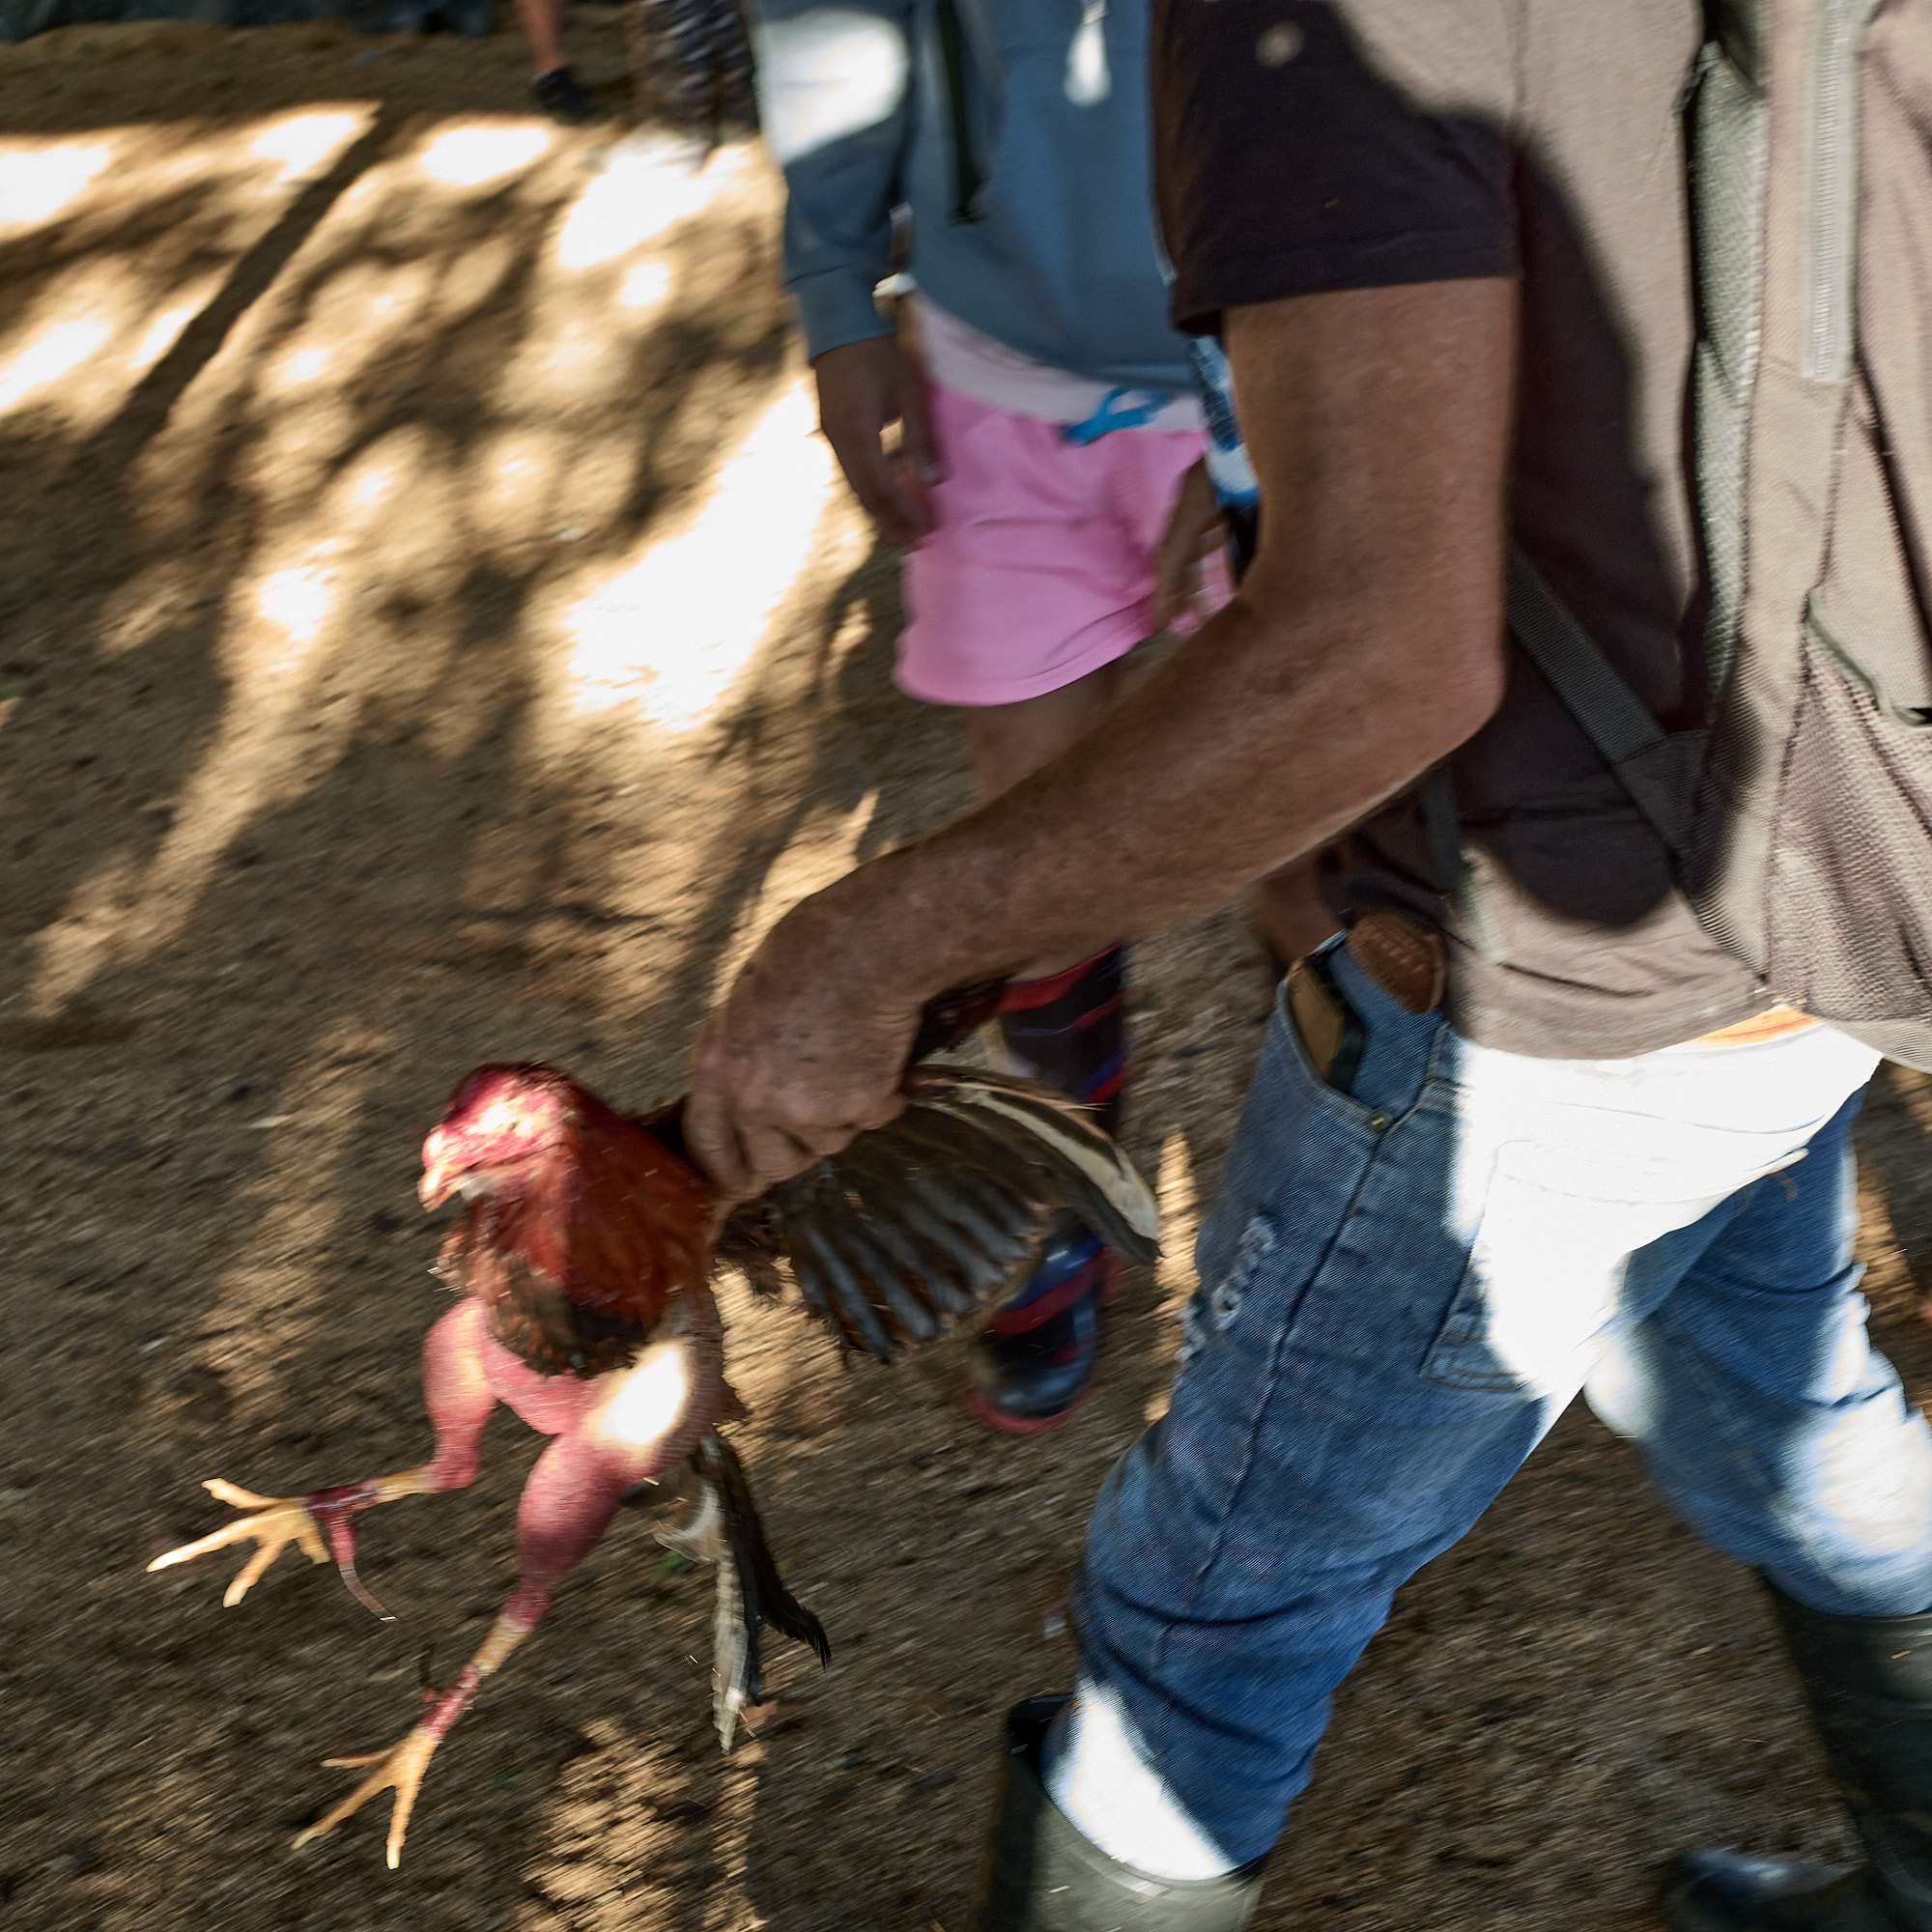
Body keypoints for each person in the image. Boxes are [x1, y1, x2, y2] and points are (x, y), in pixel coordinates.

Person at [687, 2, 1932, 1927]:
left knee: (1203, 1615)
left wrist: (878, 936)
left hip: (1569, 986)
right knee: (1792, 1428)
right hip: (1825, 863)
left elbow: (1378, 654)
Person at [749, 0, 1232, 1433]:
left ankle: (1310, 1258)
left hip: (1286, 363)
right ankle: (1067, 1216)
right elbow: (833, 30)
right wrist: (837, 292)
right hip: (995, 383)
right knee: (1032, 868)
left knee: (1323, 865)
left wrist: (1265, 397)